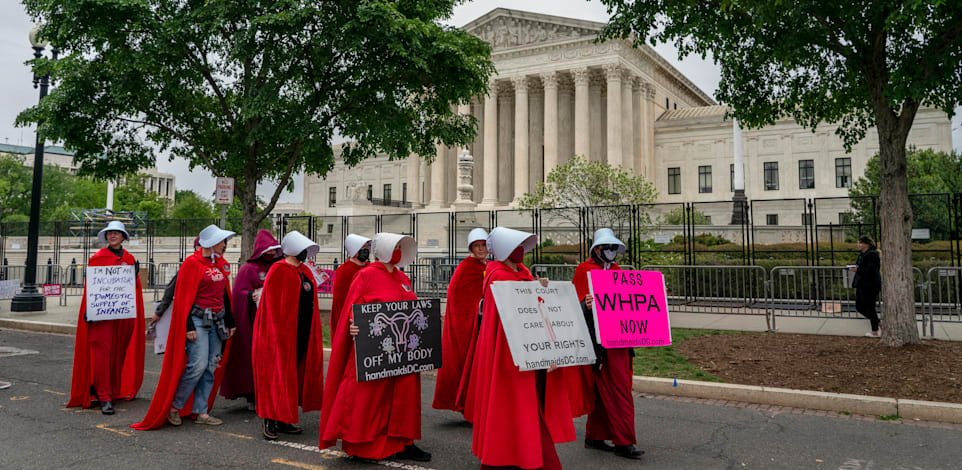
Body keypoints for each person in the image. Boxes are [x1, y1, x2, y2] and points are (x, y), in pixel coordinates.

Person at [463, 226, 573, 470]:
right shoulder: (499, 276)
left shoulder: (521, 272)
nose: (522, 251)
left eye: (523, 246)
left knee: (529, 410)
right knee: (514, 409)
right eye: (517, 246)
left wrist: (540, 287)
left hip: (529, 353)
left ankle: (526, 454)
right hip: (509, 358)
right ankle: (517, 457)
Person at [319, 232, 431, 462]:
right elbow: (354, 307)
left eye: (402, 246)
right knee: (369, 399)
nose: (400, 250)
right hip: (375, 351)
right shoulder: (366, 276)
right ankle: (364, 446)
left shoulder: (403, 278)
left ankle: (403, 442)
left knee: (404, 398)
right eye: (396, 246)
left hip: (402, 352)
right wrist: (352, 324)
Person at [132, 225, 236, 430]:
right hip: (197, 319)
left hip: (218, 320)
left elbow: (224, 293)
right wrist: (188, 326)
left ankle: (201, 411)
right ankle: (175, 406)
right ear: (212, 242)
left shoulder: (221, 264)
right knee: (197, 365)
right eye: (222, 240)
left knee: (211, 366)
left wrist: (230, 321)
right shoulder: (192, 263)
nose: (225, 244)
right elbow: (183, 298)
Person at [572, 228, 643, 460]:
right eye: (608, 247)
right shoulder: (584, 270)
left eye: (614, 248)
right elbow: (573, 306)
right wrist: (586, 305)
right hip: (598, 342)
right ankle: (624, 441)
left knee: (612, 389)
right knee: (614, 389)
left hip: (620, 340)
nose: (612, 252)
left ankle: (595, 435)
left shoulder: (617, 271)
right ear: (597, 248)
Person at [67, 221, 145, 415]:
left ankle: (106, 388)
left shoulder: (130, 258)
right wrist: (90, 310)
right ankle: (104, 396)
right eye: (110, 233)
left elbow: (134, 288)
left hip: (122, 316)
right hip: (101, 316)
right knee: (102, 355)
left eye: (117, 233)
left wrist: (134, 276)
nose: (113, 236)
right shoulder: (98, 258)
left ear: (123, 237)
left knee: (118, 355)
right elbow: (91, 287)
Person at [252, 231, 325, 440]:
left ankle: (284, 418)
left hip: (302, 333)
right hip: (281, 336)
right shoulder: (279, 270)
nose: (305, 254)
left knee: (291, 376)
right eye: (302, 250)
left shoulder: (305, 272)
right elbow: (272, 309)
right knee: (277, 376)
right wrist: (276, 337)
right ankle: (271, 419)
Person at [220, 229, 281, 409]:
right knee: (251, 358)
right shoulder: (248, 269)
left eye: (273, 250)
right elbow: (238, 293)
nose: (271, 254)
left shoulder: (277, 267)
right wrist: (250, 296)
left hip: (273, 321)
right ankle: (252, 394)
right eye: (268, 250)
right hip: (253, 321)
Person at [432, 228, 487, 413]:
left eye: (483, 245)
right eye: (477, 246)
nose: (481, 249)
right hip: (466, 323)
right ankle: (465, 403)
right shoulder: (466, 267)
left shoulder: (486, 266)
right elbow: (457, 295)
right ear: (471, 248)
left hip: (480, 319)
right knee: (465, 362)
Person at [330, 234, 371, 336]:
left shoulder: (370, 268)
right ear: (355, 250)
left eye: (367, 247)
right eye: (363, 248)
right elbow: (341, 301)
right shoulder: (344, 271)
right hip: (353, 318)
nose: (366, 250)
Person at [851, 235, 882, 337]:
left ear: (867, 244)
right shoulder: (862, 254)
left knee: (870, 307)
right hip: (861, 283)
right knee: (859, 306)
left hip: (870, 285)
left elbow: (871, 270)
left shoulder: (872, 254)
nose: (858, 245)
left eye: (861, 243)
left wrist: (858, 269)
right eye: (858, 242)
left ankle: (874, 330)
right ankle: (877, 322)